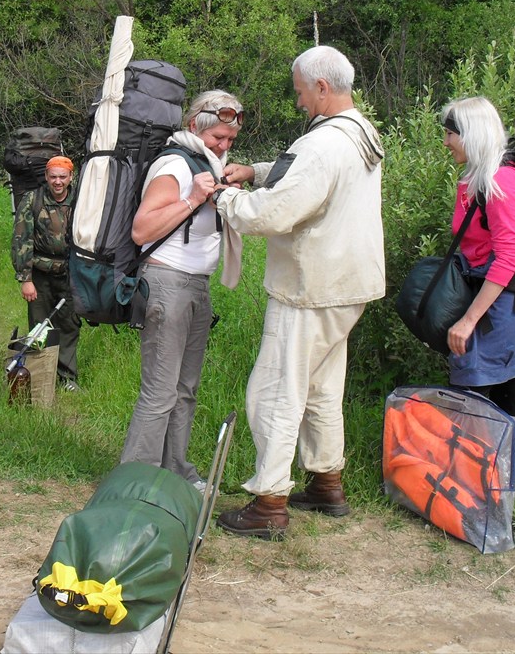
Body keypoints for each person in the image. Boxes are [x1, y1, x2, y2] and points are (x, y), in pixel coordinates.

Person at [208, 45, 386, 540]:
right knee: (323, 387)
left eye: (302, 91)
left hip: (310, 286)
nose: (299, 100)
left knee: (275, 390)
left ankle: (269, 502)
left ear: (322, 88)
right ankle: (327, 483)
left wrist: (227, 197)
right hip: (349, 284)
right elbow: (311, 180)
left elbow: (275, 213)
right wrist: (256, 172)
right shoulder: (360, 132)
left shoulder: (323, 144)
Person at [119, 91, 245, 494]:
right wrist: (193, 198)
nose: (224, 146)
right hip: (167, 283)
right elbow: (142, 229)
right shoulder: (175, 164)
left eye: (230, 140)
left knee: (185, 390)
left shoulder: (209, 165)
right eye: (218, 138)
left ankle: (175, 472)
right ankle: (134, 482)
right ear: (196, 127)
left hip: (196, 285)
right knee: (159, 390)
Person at [441, 97, 515, 481]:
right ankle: (509, 480)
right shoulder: (481, 178)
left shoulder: (500, 182)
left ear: (471, 134)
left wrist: (468, 321)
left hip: (507, 305)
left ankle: (479, 487)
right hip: (506, 301)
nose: (446, 142)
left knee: (476, 385)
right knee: (508, 388)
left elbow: (506, 260)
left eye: (451, 133)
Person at [10, 155, 82, 390]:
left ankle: (67, 377)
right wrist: (25, 279)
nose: (58, 182)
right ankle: (40, 376)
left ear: (71, 177)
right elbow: (21, 239)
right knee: (40, 326)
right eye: (53, 176)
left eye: (62, 176)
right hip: (40, 274)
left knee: (69, 324)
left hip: (71, 273)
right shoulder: (33, 199)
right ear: (46, 177)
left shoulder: (81, 199)